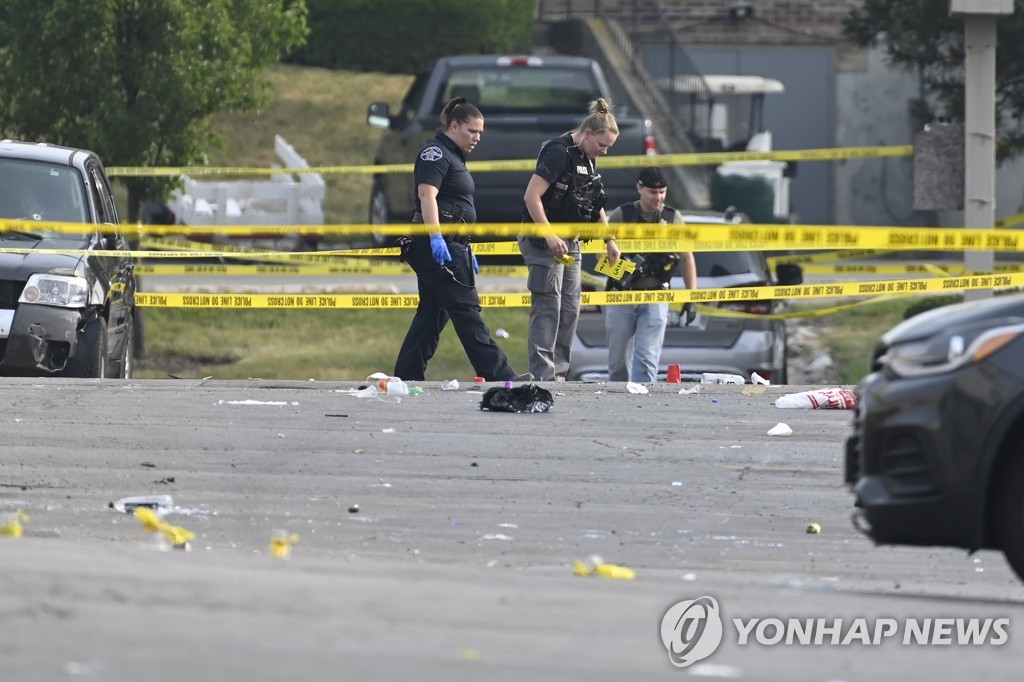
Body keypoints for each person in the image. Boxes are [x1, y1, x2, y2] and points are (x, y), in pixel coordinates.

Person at [394, 97, 527, 382]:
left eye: (480, 133)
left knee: (432, 314)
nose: (477, 138)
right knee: (467, 311)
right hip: (437, 247)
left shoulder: (453, 155)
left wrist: (462, 246)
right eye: (472, 131)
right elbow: (426, 195)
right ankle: (500, 376)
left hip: (451, 246)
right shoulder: (436, 154)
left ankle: (407, 375)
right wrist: (437, 238)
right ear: (454, 126)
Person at [519, 97, 622, 381]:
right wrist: (548, 234)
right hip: (543, 240)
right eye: (602, 145)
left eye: (608, 148)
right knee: (548, 307)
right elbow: (531, 197)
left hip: (571, 241)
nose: (603, 152)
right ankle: (543, 377)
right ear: (587, 134)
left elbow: (595, 202)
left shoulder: (587, 159)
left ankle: (560, 375)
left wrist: (609, 239)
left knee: (569, 309)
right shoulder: (558, 152)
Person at [604, 166, 698, 383]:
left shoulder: (672, 218)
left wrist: (691, 297)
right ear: (639, 188)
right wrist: (625, 271)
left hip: (656, 295)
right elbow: (600, 254)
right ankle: (619, 408)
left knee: (646, 361)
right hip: (622, 296)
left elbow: (686, 257)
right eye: (653, 192)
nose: (658, 197)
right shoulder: (623, 215)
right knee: (617, 364)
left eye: (662, 192)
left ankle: (641, 407)